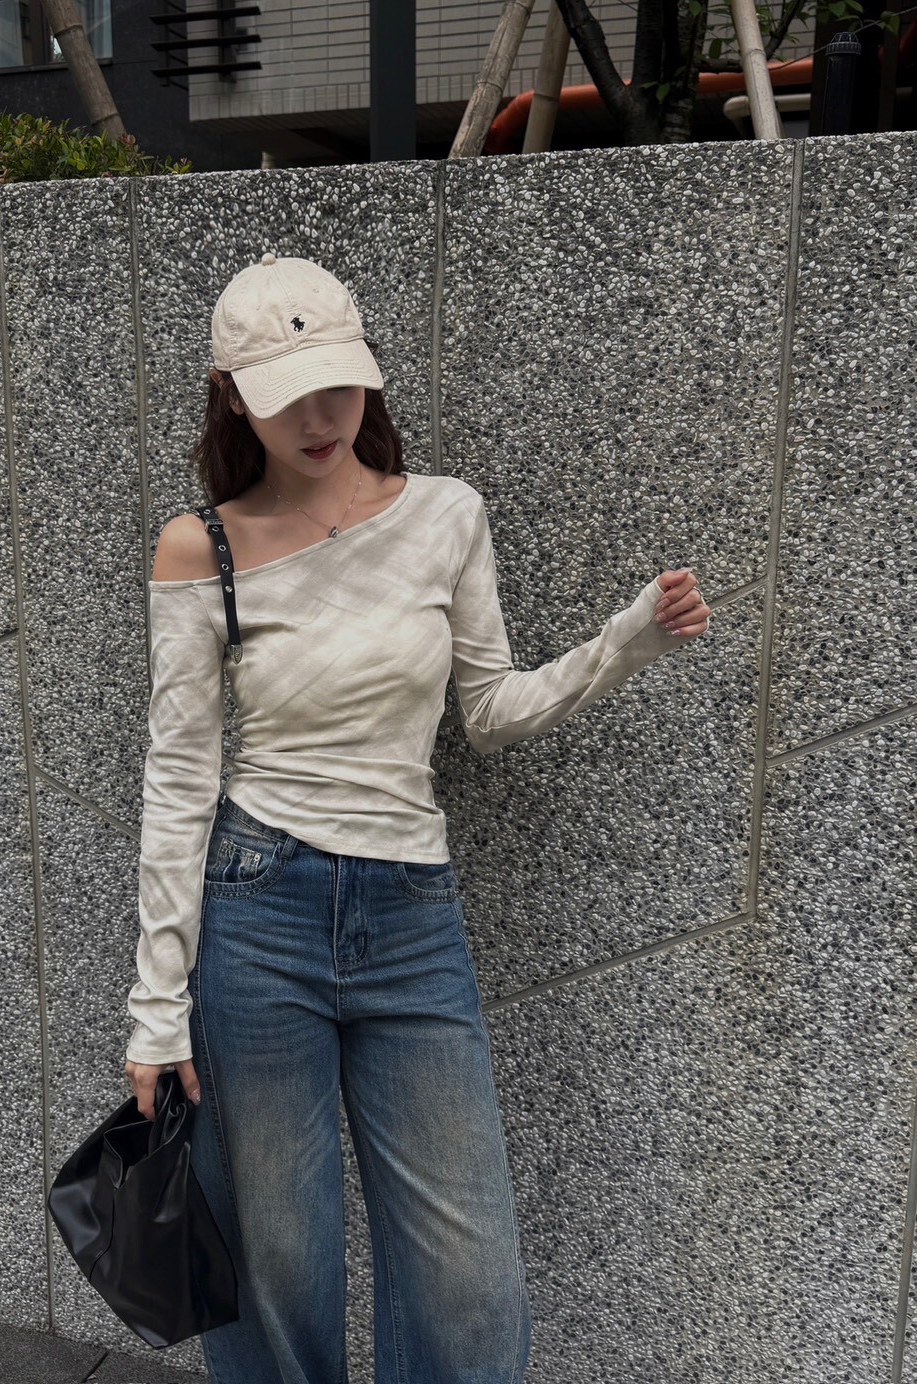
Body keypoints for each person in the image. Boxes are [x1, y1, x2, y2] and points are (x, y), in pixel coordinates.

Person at [122, 252, 711, 1384]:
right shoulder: (202, 547)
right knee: (278, 1266)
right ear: (230, 397)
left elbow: (487, 713)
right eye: (287, 394)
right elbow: (179, 777)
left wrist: (624, 642)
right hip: (257, 911)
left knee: (467, 1286)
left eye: (338, 384)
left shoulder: (445, 514)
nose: (319, 417)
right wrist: (156, 1007)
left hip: (409, 916)